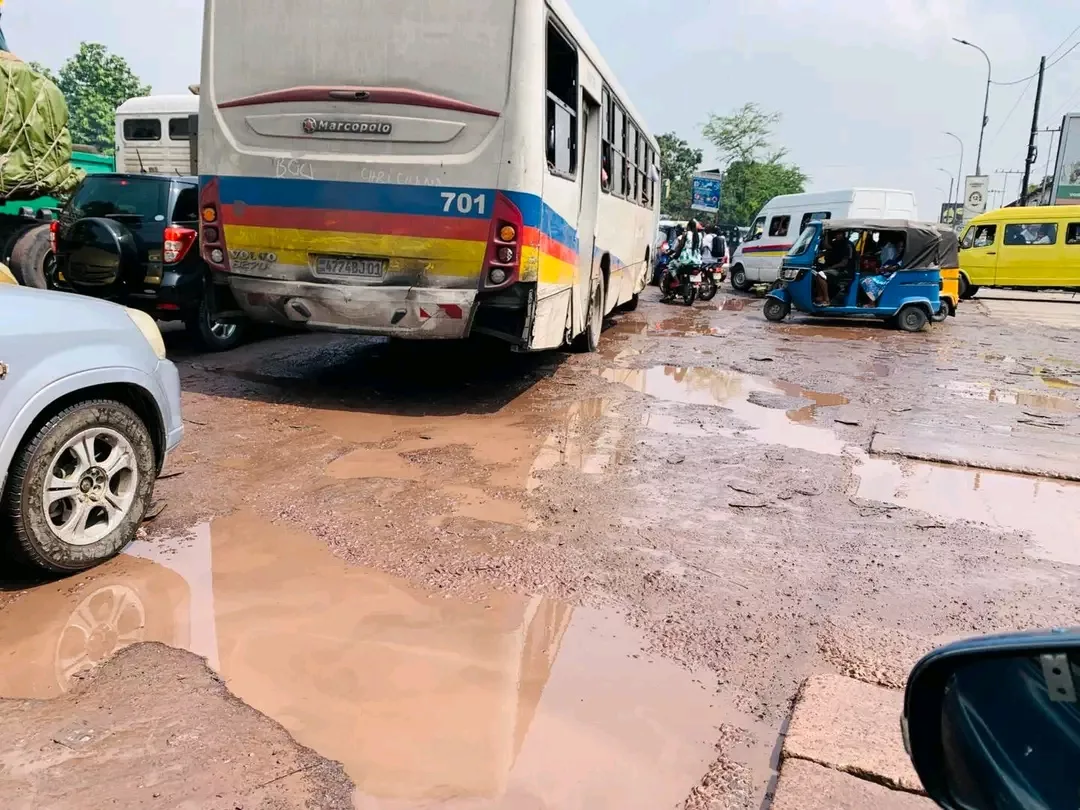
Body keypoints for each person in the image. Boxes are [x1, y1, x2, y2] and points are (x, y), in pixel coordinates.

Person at [812, 231, 854, 306]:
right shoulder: (836, 243)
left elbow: (844, 263)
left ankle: (826, 299)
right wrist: (826, 234)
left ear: (843, 234)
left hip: (844, 271)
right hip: (834, 269)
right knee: (815, 273)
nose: (837, 235)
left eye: (839, 233)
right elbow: (827, 246)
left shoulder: (848, 245)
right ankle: (820, 296)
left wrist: (831, 267)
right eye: (836, 234)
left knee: (820, 275)